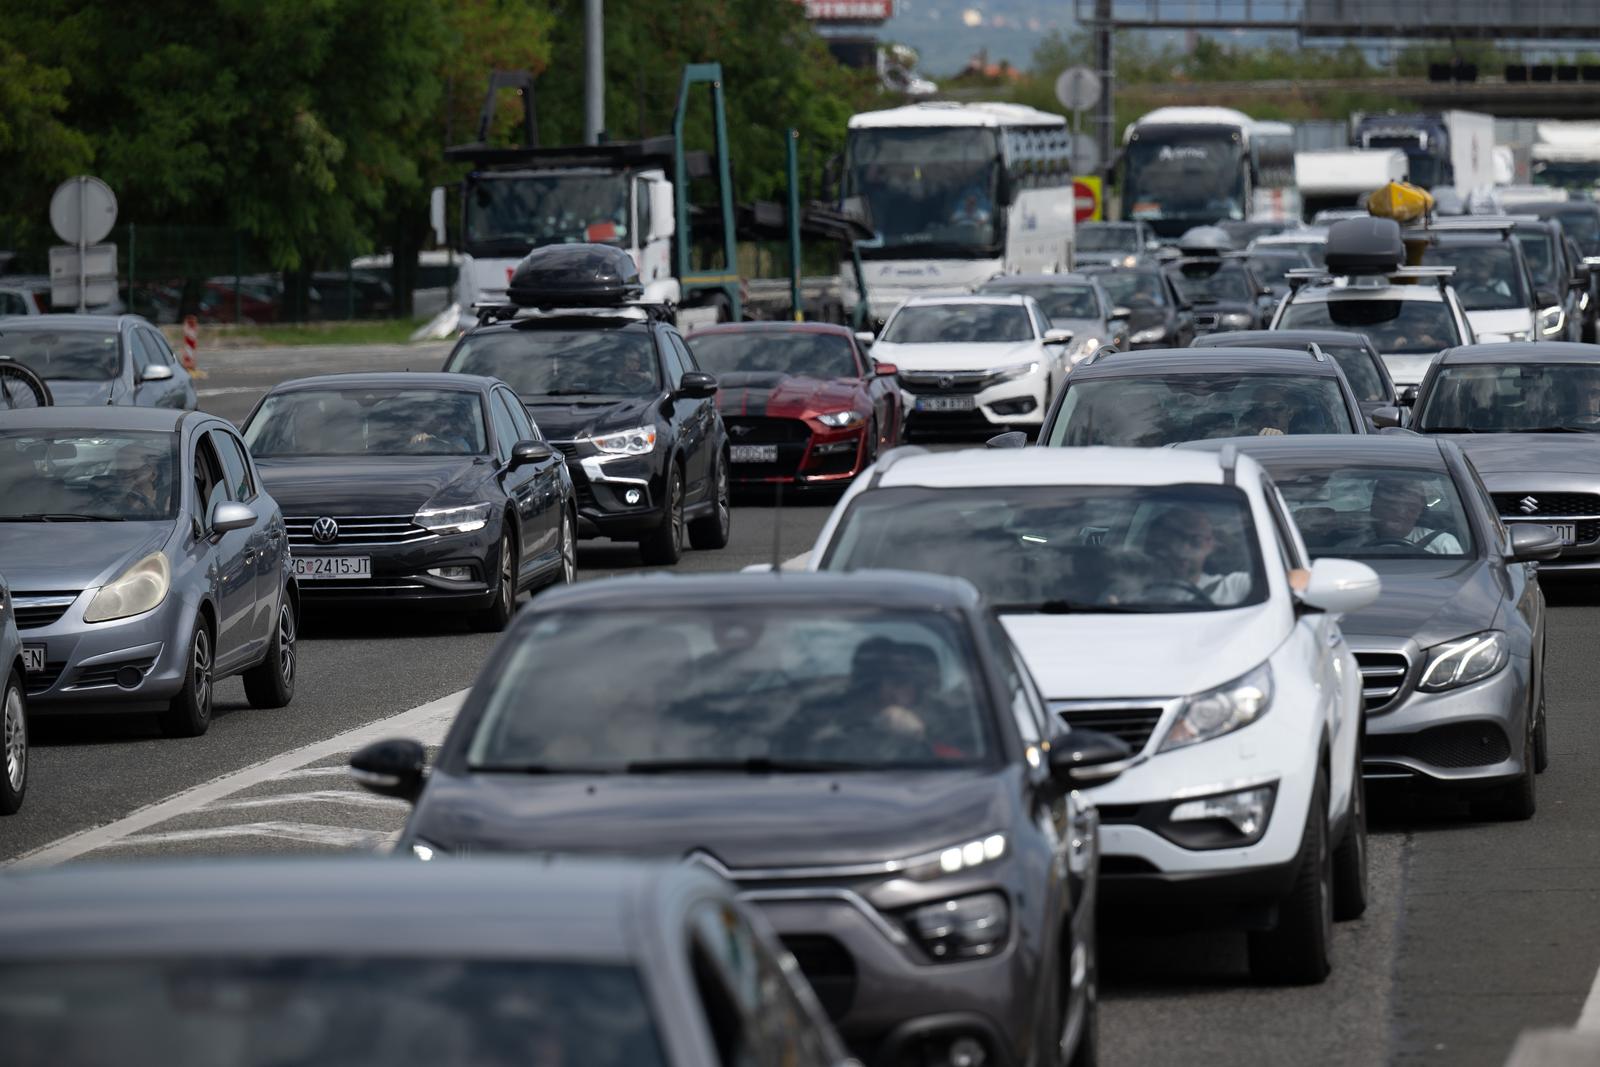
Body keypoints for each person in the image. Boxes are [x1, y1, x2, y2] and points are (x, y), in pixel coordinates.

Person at [784, 638, 951, 762]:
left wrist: (920, 737)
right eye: (871, 685)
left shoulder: (946, 722)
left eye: (900, 681)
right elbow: (784, 751)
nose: (885, 692)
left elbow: (958, 769)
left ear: (919, 688)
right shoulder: (817, 714)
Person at [1137, 506, 1254, 605]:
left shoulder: (1235, 585)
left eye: (1196, 541)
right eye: (1176, 539)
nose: (1184, 548)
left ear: (1211, 545)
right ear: (1162, 545)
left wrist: (1237, 547)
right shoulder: (1135, 589)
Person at [1342, 477, 1463, 554]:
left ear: (1418, 511)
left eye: (1409, 506)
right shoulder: (1352, 548)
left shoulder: (1442, 544)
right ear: (1374, 509)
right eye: (1390, 505)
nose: (1399, 512)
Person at [111, 444, 165, 518]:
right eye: (121, 471)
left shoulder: (172, 500)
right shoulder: (109, 497)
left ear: (153, 473)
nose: (127, 478)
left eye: (135, 471)